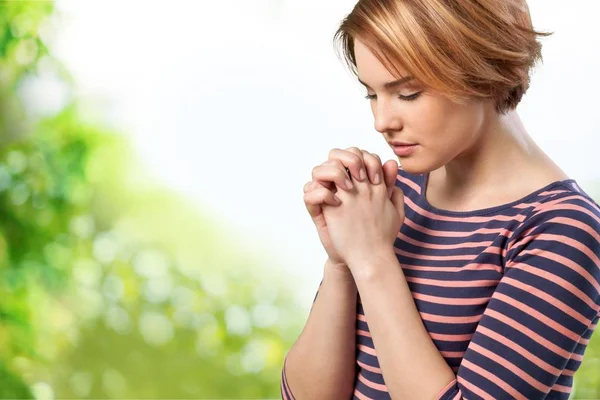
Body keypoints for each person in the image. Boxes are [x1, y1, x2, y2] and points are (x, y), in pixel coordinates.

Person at [280, 0, 600, 399]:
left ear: (483, 70)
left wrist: (372, 260)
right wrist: (342, 263)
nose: (382, 122)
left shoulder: (561, 229)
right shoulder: (395, 194)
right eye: (372, 95)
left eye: (408, 93)